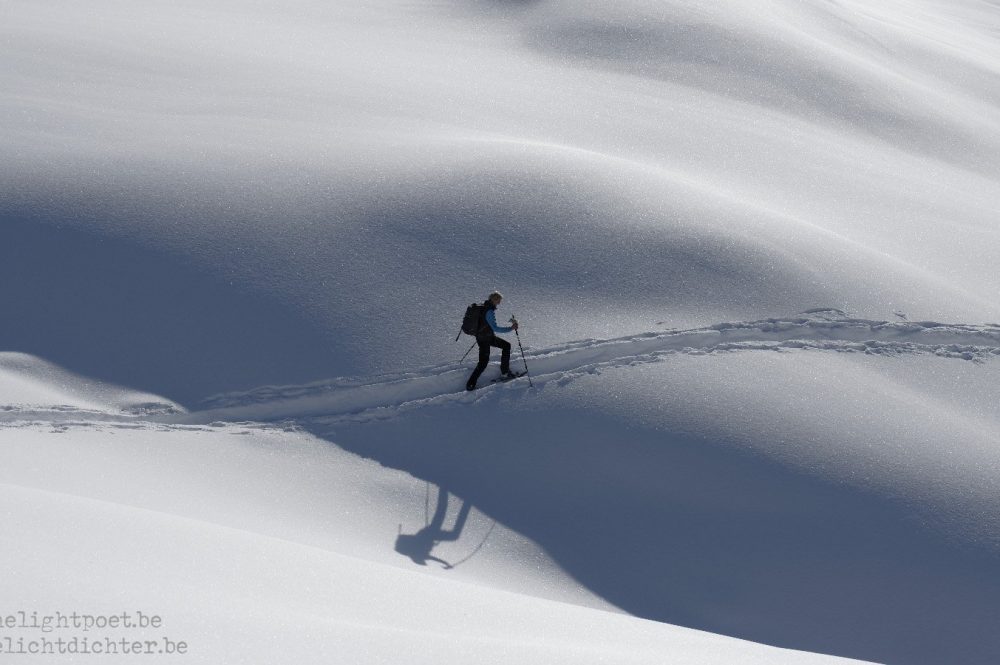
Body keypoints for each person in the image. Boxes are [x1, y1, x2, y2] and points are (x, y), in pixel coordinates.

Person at [466, 291, 519, 391]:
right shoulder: (489, 311)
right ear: (494, 300)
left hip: (484, 337)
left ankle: (505, 372)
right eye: (498, 300)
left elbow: (483, 323)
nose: (499, 303)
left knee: (506, 345)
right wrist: (511, 328)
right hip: (485, 338)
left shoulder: (484, 307)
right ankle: (470, 384)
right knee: (483, 362)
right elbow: (495, 328)